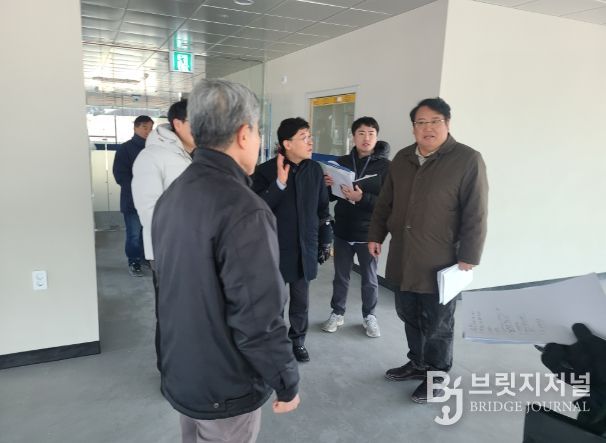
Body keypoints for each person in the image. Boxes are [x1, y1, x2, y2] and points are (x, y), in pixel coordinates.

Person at [152, 79, 300, 443]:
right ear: (243, 133)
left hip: (184, 370)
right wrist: (286, 381)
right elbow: (258, 317)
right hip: (225, 384)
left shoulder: (174, 193)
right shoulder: (244, 209)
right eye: (258, 131)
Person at [367, 97, 488, 403]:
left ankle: (437, 375)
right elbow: (385, 203)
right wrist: (376, 235)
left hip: (442, 261)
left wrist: (469, 256)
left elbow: (475, 213)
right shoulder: (403, 158)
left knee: (438, 323)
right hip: (404, 257)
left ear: (447, 123)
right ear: (413, 128)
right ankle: (418, 363)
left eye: (435, 121)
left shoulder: (467, 160)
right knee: (408, 313)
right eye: (421, 122)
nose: (428, 128)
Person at [251, 117, 332, 363]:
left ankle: (298, 341)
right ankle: (274, 342)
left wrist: (325, 240)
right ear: (287, 144)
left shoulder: (314, 170)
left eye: (310, 137)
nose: (310, 142)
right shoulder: (265, 171)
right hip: (274, 249)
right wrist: (279, 184)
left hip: (304, 247)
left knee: (301, 301)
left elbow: (322, 208)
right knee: (273, 301)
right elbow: (257, 209)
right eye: (304, 138)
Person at [131, 99, 195, 372]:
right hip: (168, 252)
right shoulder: (151, 157)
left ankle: (191, 368)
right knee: (171, 315)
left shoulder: (196, 154)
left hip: (197, 250)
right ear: (178, 124)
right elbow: (150, 213)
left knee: (194, 314)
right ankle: (169, 373)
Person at [321, 117, 391, 338]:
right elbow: (330, 198)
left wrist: (362, 198)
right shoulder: (341, 162)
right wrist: (327, 187)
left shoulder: (386, 167)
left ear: (376, 137)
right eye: (361, 133)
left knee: (369, 279)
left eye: (371, 133)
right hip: (343, 229)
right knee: (341, 277)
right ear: (353, 137)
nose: (366, 138)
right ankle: (337, 312)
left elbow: (388, 203)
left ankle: (370, 316)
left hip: (369, 233)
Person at [112, 115, 153, 277]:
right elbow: (120, 175)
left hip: (150, 200)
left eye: (151, 128)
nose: (148, 131)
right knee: (134, 234)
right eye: (144, 127)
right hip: (132, 200)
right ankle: (134, 261)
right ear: (135, 127)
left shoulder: (153, 149)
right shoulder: (126, 148)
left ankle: (144, 258)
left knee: (146, 233)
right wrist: (139, 188)